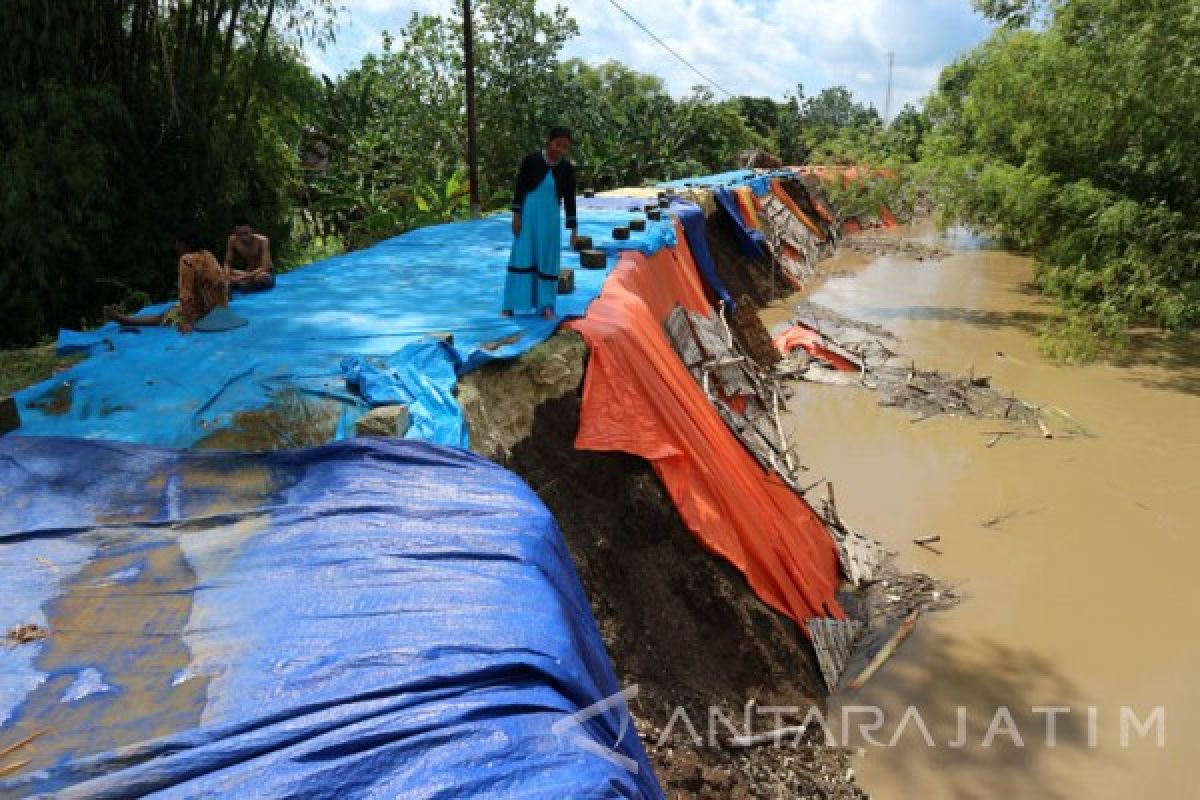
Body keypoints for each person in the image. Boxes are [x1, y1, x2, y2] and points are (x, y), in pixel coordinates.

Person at [501, 126, 579, 320]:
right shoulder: (532, 161)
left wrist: (573, 229)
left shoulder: (567, 169)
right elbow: (519, 189)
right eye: (557, 144)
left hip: (550, 219)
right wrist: (516, 216)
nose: (560, 149)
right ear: (549, 142)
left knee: (547, 258)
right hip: (529, 216)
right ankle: (510, 304)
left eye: (565, 147)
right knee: (521, 254)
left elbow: (570, 199)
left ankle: (546, 306)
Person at [104, 228, 229, 335]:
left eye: (177, 243)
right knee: (175, 308)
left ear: (183, 244)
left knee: (163, 317)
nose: (176, 247)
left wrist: (187, 322)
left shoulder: (187, 260)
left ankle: (126, 320)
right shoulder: (207, 254)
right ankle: (126, 319)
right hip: (221, 307)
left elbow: (186, 295)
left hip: (207, 312)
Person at [224, 217, 276, 291]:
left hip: (264, 273)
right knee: (226, 272)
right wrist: (227, 276)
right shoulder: (232, 240)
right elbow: (227, 263)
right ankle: (240, 283)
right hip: (248, 272)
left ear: (252, 231)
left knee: (263, 276)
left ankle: (242, 284)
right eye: (239, 234)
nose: (243, 237)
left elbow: (265, 267)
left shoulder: (263, 241)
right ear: (235, 233)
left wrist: (242, 278)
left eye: (246, 233)